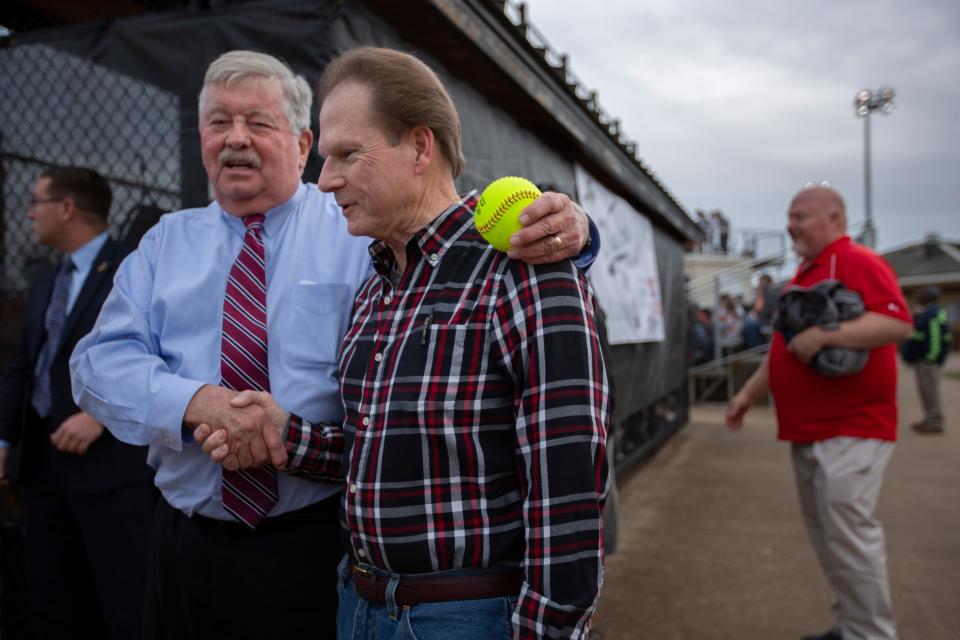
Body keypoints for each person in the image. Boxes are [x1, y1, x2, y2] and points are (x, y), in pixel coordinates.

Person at [69, 50, 597, 639]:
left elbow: (568, 482)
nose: (235, 140)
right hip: (272, 567)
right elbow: (96, 364)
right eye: (218, 122)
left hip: (330, 558)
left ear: (299, 144)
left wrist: (573, 233)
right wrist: (227, 413)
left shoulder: (366, 233)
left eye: (258, 123)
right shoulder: (178, 243)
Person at [725, 185, 911, 640]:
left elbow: (896, 321)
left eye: (801, 216)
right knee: (831, 539)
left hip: (853, 425)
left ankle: (870, 634)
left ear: (835, 219)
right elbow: (782, 351)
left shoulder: (856, 260)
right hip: (809, 429)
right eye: (790, 215)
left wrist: (827, 337)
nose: (791, 225)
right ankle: (852, 626)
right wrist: (748, 393)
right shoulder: (806, 271)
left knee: (849, 536)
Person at [0, 167, 157, 639]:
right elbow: (24, 367)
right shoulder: (48, 281)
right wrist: (5, 438)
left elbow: (159, 354)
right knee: (52, 601)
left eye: (37, 201)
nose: (28, 212)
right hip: (44, 467)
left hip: (110, 470)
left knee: (124, 600)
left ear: (66, 208)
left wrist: (99, 416)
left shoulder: (134, 265)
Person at [901, 286, 951, 434]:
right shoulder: (926, 313)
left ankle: (935, 423)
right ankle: (929, 419)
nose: (917, 297)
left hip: (928, 362)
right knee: (925, 392)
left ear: (929, 297)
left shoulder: (933, 314)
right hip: (922, 360)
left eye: (920, 294)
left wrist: (931, 359)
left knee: (930, 392)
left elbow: (935, 339)